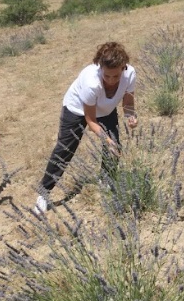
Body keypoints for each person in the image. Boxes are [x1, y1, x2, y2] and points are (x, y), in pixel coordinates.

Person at [35, 41, 138, 214]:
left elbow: (128, 102)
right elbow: (90, 120)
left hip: (106, 109)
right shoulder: (91, 83)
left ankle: (106, 182)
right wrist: (106, 139)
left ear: (123, 68)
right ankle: (44, 193)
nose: (112, 81)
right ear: (100, 68)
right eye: (107, 76)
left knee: (114, 148)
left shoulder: (130, 74)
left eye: (116, 76)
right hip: (77, 109)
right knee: (65, 149)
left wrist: (131, 116)